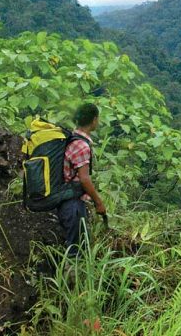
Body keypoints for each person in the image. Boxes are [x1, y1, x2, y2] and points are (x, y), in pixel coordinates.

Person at [59, 103, 106, 257]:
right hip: (73, 204)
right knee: (75, 251)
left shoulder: (71, 138)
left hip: (65, 198)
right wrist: (98, 202)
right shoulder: (81, 146)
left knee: (74, 246)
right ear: (94, 120)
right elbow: (84, 179)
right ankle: (70, 278)